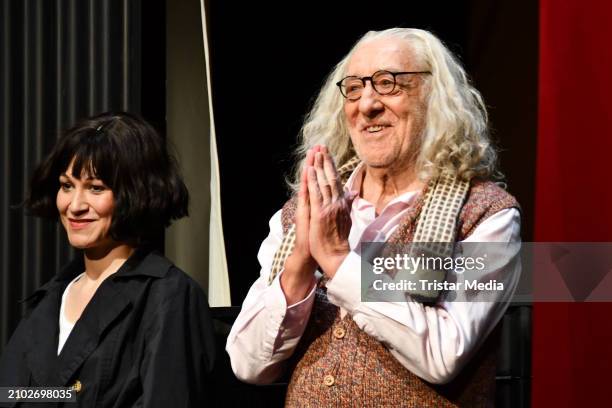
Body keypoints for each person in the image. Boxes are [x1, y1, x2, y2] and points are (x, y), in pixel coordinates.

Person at [226, 28, 521, 407]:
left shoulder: (486, 215)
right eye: (354, 88)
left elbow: (443, 354)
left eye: (388, 84)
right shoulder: (304, 213)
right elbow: (248, 364)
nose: (367, 104)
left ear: (435, 98)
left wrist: (337, 260)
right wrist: (300, 262)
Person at [0, 112, 215, 407]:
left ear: (137, 191)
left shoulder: (168, 295)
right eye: (66, 185)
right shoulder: (51, 297)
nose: (74, 205)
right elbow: (13, 393)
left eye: (96, 188)